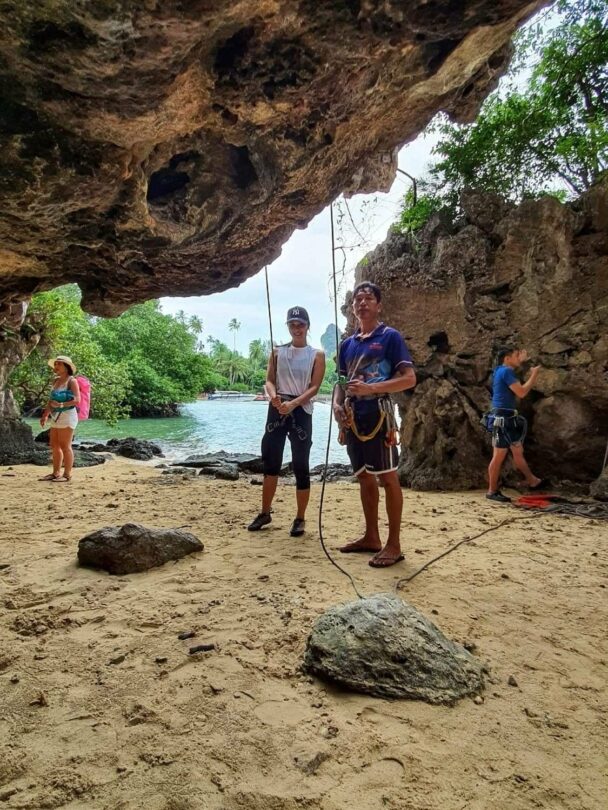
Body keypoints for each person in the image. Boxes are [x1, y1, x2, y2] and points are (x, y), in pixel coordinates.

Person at [333, 282, 416, 568]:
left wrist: (371, 389)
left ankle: (394, 544)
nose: (363, 302)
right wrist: (336, 404)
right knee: (364, 476)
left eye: (369, 298)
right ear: (353, 307)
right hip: (352, 417)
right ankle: (371, 536)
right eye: (358, 299)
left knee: (388, 477)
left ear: (378, 305)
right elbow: (340, 381)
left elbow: (409, 378)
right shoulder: (347, 343)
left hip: (379, 412)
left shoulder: (390, 337)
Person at [248, 307, 326, 536]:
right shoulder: (277, 352)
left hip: (301, 411)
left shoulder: (316, 354)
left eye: (300, 324)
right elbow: (269, 381)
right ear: (288, 327)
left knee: (301, 465)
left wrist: (293, 404)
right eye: (292, 324)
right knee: (271, 462)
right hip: (277, 407)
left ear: (307, 326)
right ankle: (265, 512)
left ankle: (300, 517)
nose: (296, 328)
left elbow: (314, 387)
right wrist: (274, 398)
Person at [486, 346, 548, 502]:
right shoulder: (505, 372)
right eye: (515, 356)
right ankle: (492, 491)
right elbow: (521, 392)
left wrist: (523, 363)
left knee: (517, 451)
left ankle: (533, 481)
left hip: (508, 417)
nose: (518, 358)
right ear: (507, 359)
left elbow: (515, 379)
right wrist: (534, 374)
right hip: (503, 418)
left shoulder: (501, 370)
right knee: (498, 456)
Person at [39, 355, 81, 483]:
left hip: (68, 416)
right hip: (55, 416)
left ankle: (67, 474)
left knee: (65, 446)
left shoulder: (72, 381)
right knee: (54, 445)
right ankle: (55, 473)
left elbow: (77, 400)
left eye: (59, 364)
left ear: (67, 367)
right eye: (55, 364)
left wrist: (62, 405)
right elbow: (51, 401)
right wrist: (45, 414)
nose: (56, 366)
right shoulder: (55, 381)